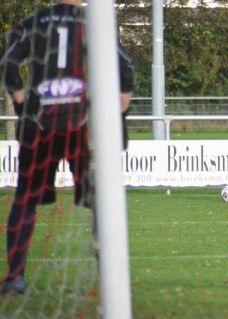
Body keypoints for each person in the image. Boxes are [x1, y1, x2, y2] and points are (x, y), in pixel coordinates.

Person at [0, 0, 134, 295]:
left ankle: (15, 277)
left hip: (40, 124)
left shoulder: (34, 21)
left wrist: (23, 105)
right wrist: (119, 118)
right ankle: (110, 274)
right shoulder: (93, 24)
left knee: (25, 199)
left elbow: (9, 63)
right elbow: (125, 67)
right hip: (81, 126)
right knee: (100, 199)